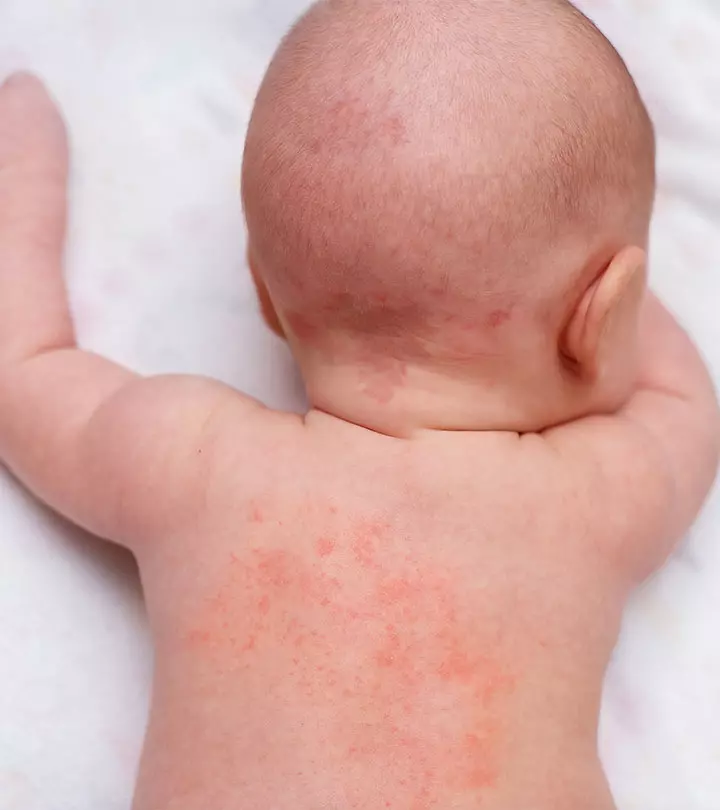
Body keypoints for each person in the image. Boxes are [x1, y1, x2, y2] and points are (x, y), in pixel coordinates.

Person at [0, 1, 717, 808]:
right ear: (601, 313)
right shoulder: (595, 499)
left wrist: (22, 161)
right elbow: (684, 401)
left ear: (264, 296)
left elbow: (23, 368)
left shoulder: (195, 463)